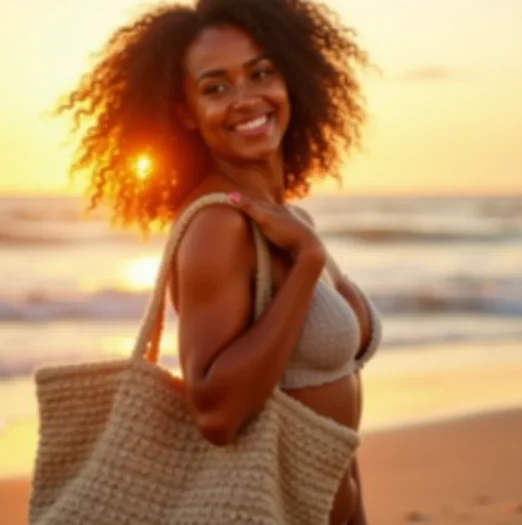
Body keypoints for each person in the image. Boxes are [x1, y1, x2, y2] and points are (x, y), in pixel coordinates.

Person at [56, 0, 382, 523]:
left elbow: (336, 421)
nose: (246, 99)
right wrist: (306, 265)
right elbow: (216, 414)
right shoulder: (219, 225)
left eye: (261, 73)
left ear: (291, 77)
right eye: (215, 88)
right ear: (185, 112)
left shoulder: (288, 219)